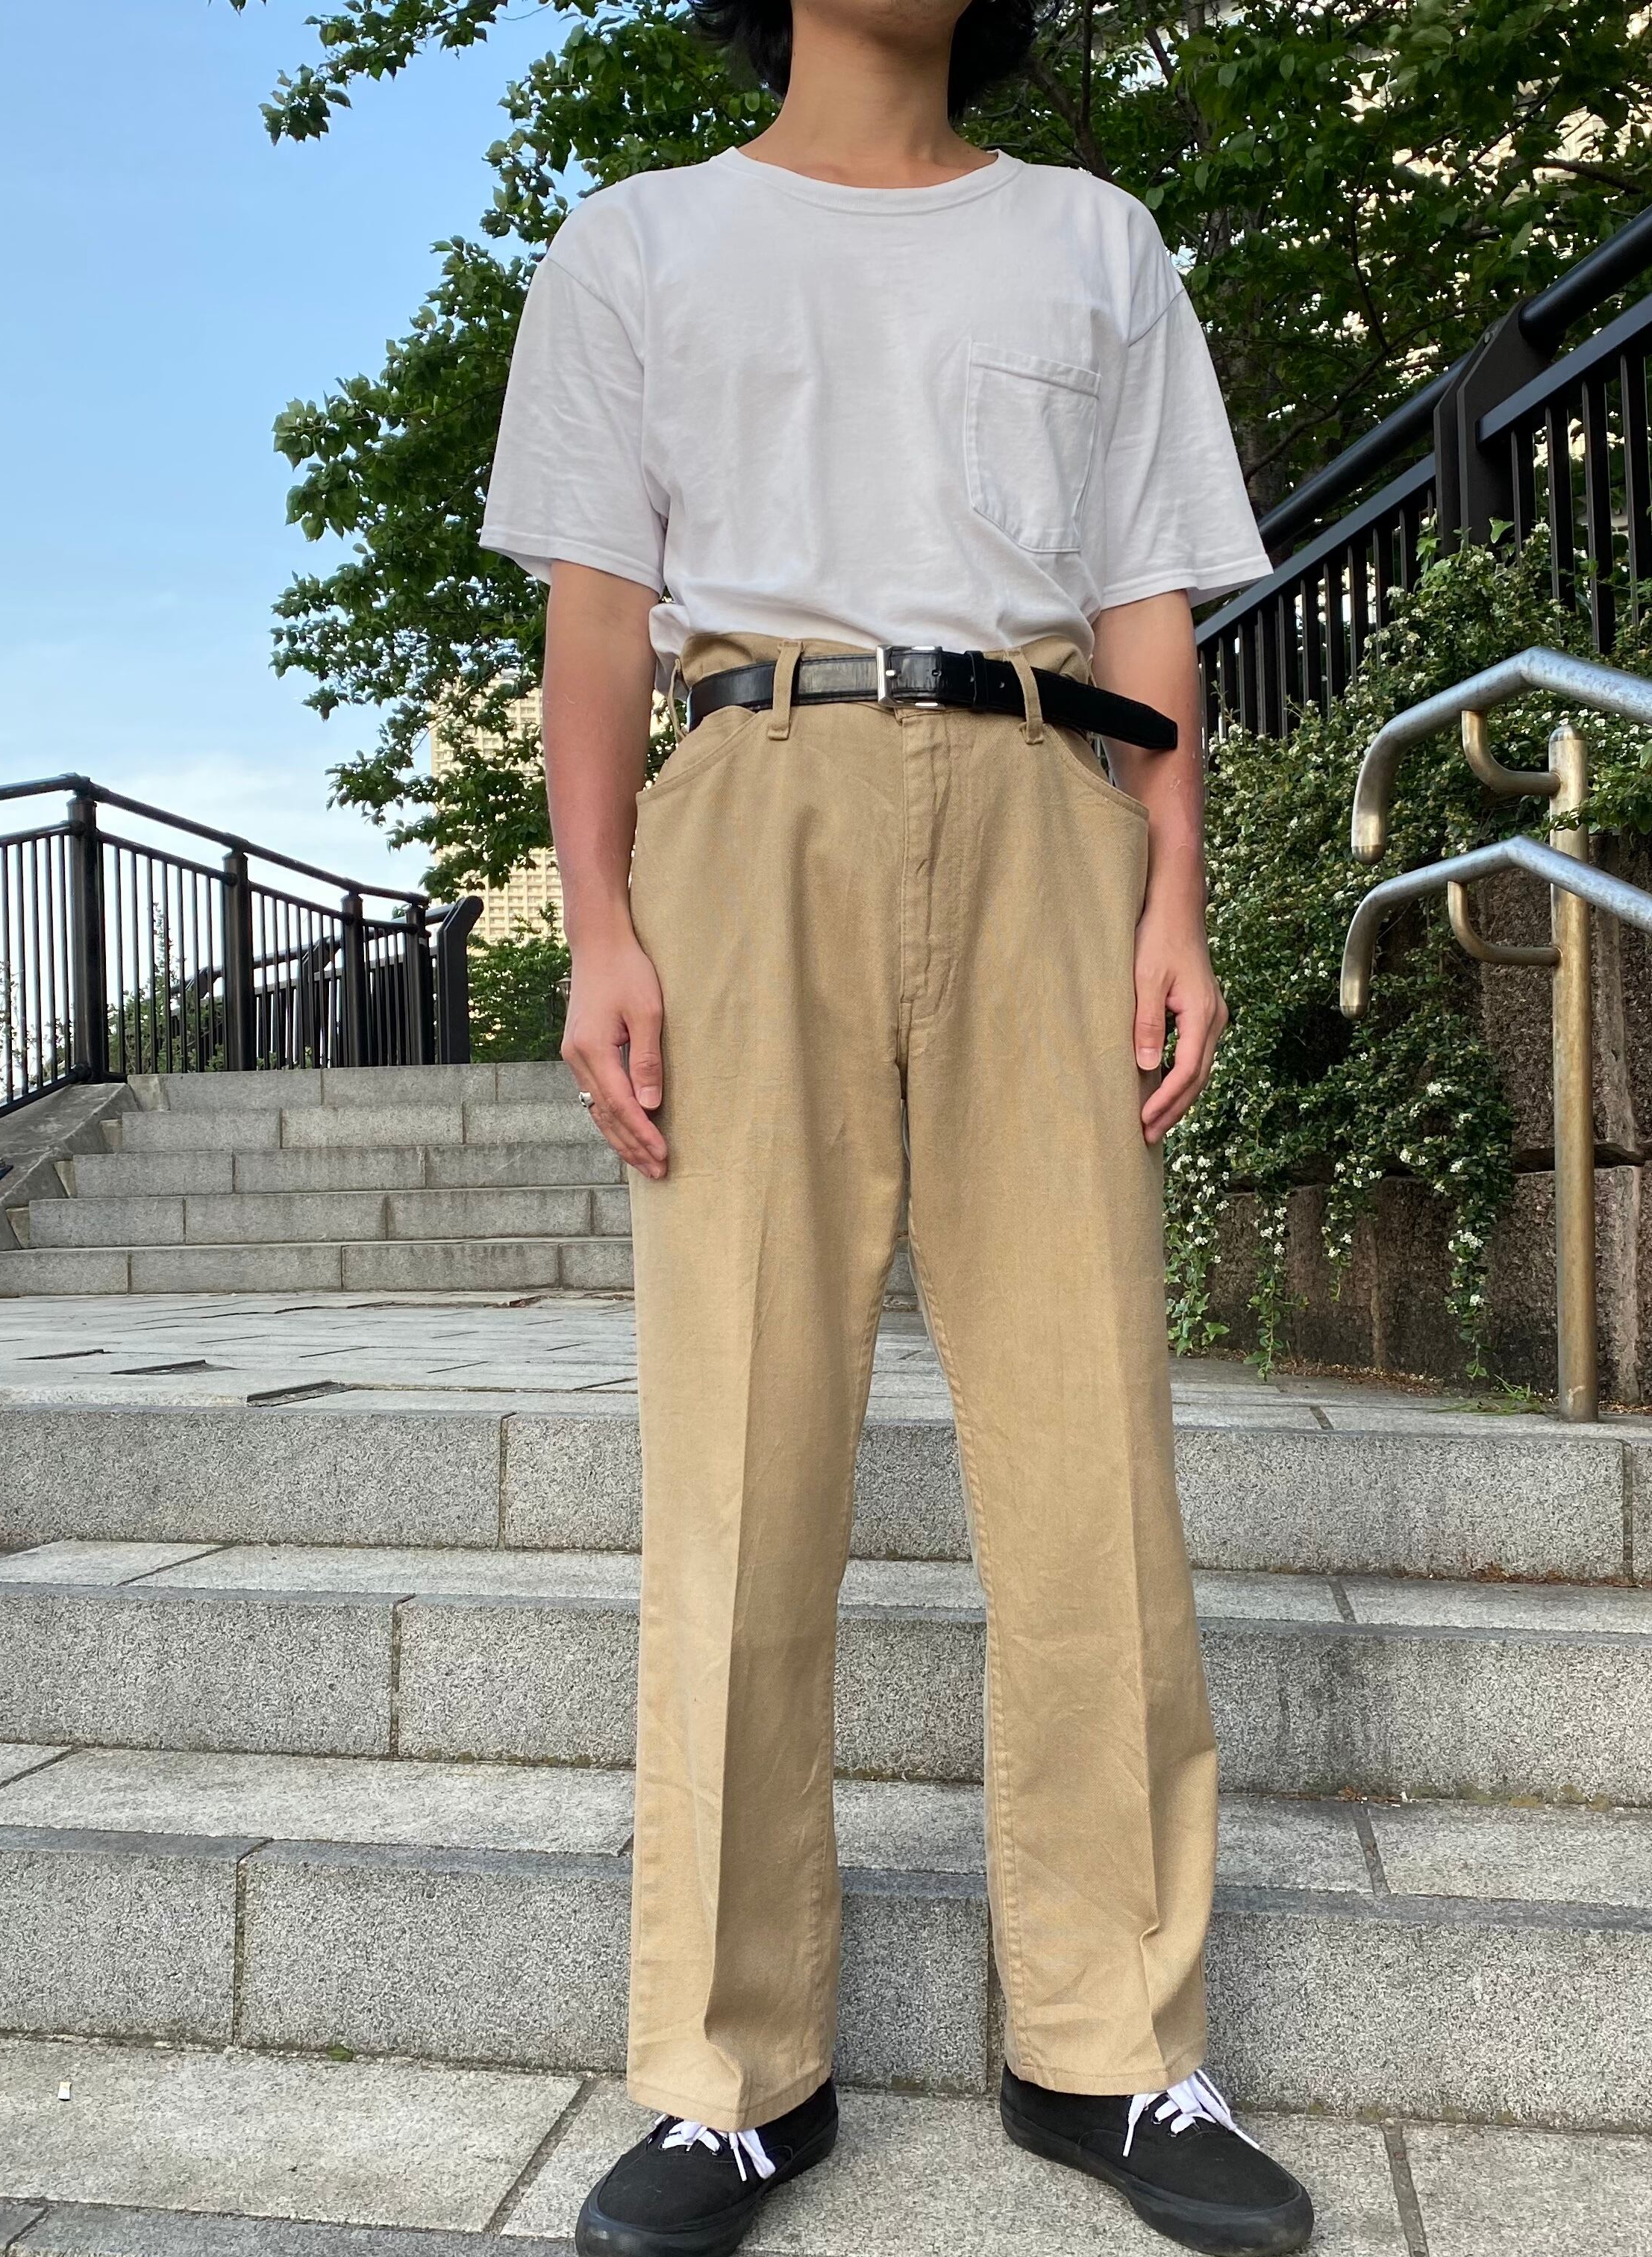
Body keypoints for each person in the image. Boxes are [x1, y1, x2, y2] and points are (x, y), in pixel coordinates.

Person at [481, 0, 1312, 2250]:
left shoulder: (1094, 238)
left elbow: (1147, 593)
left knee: (1090, 1446)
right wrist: (601, 924)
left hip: (1045, 801)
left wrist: (1174, 894)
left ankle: (1110, 2047)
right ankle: (731, 2074)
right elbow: (596, 617)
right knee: (739, 1458)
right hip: (748, 801)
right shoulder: (638, 243)